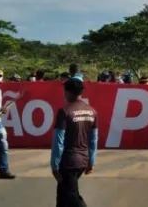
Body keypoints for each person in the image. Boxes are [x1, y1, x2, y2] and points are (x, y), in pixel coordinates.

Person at [51, 77, 98, 207]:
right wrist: (91, 161)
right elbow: (93, 139)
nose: (63, 94)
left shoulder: (64, 111)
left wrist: (54, 165)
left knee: (71, 196)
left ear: (69, 92)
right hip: (83, 160)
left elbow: (58, 140)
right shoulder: (92, 111)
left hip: (68, 162)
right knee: (62, 197)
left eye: (64, 91)